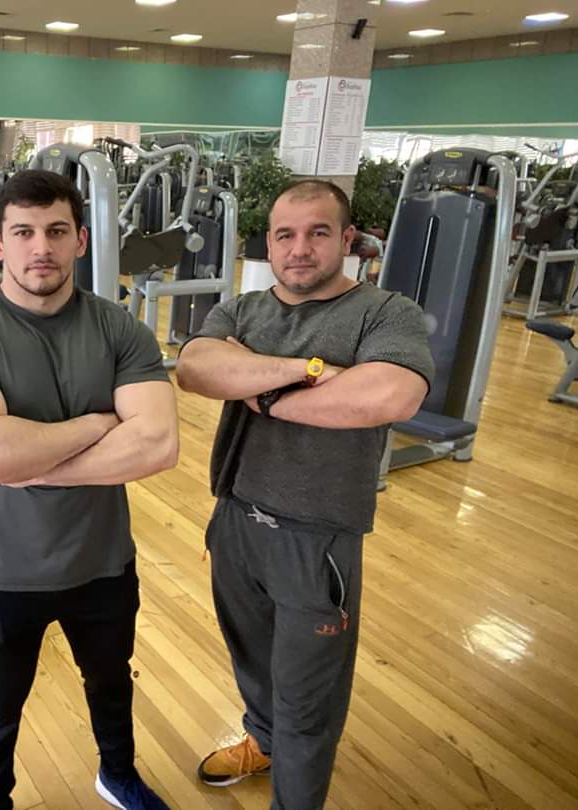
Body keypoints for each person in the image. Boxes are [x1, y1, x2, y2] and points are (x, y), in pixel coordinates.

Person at [176, 179, 435, 810]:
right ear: (269, 243)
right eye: (285, 235)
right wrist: (308, 372)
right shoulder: (243, 309)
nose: (299, 249)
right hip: (235, 517)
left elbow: (390, 394)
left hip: (316, 537)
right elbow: (196, 368)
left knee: (308, 699)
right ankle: (262, 739)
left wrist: (256, 386)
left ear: (347, 239)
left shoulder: (385, 312)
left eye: (318, 233)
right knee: (251, 659)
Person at [0, 170, 179, 810]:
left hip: (103, 559)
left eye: (57, 231)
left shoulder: (119, 328)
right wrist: (99, 424)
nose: (41, 247)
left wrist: (32, 464)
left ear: (81, 240)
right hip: (6, 567)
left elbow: (157, 444)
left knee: (111, 683)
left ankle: (117, 776)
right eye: (24, 232)